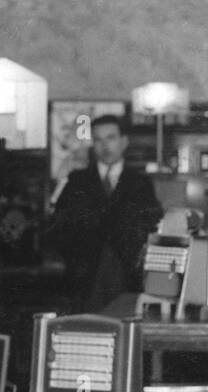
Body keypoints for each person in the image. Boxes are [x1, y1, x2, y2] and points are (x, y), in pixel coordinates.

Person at [47, 114, 163, 313]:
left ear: (124, 141)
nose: (105, 146)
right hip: (84, 278)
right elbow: (58, 227)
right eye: (98, 139)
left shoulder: (140, 183)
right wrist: (75, 259)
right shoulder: (77, 181)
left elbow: (152, 226)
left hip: (126, 276)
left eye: (110, 138)